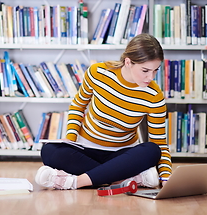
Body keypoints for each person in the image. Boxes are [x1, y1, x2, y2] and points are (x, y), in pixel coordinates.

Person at [35, 33, 172, 190]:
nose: (151, 77)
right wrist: (71, 138)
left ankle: (74, 182)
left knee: (152, 151)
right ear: (128, 62)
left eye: (156, 70)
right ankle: (124, 179)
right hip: (86, 149)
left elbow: (160, 143)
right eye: (145, 70)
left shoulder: (154, 96)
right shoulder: (98, 73)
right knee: (49, 151)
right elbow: (78, 105)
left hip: (122, 154)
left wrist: (166, 178)